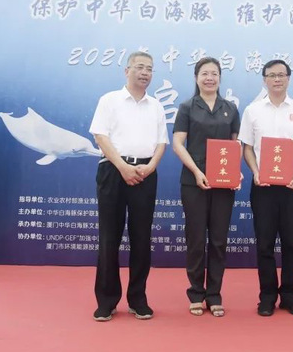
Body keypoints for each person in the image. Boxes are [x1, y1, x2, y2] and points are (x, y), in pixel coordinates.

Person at [89, 51, 169, 322]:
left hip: (145, 173)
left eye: (149, 68)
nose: (145, 72)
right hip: (113, 170)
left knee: (142, 238)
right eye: (140, 67)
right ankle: (106, 301)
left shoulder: (156, 106)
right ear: (127, 70)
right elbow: (100, 136)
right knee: (109, 237)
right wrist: (123, 167)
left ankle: (138, 299)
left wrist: (151, 166)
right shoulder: (109, 100)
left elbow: (161, 142)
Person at [239, 59, 293, 317]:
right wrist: (255, 171)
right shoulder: (252, 111)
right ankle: (267, 296)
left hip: (292, 184)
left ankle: (289, 296)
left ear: (288, 78)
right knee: (264, 244)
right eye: (272, 75)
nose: (277, 79)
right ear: (264, 79)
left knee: (291, 243)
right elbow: (247, 148)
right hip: (262, 185)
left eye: (281, 75)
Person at [172, 57, 241, 318]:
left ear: (220, 78)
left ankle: (214, 295)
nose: (209, 78)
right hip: (194, 181)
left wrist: (235, 171)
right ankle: (196, 294)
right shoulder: (187, 107)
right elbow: (178, 144)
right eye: (204, 73)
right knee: (196, 239)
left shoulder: (230, 108)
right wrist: (197, 171)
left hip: (223, 183)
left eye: (214, 73)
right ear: (196, 77)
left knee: (219, 240)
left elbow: (235, 144)